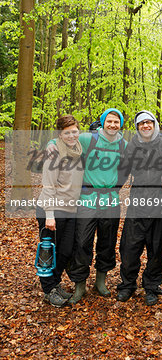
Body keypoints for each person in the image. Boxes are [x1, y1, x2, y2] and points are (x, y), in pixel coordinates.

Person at [68, 108, 126, 304]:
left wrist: (115, 188)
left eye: (116, 122)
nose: (112, 125)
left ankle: (101, 282)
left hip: (110, 200)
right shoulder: (87, 139)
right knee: (82, 241)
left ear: (121, 124)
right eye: (109, 121)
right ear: (103, 122)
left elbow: (126, 169)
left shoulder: (123, 145)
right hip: (87, 198)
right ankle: (80, 285)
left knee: (107, 242)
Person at [116, 111, 162, 305]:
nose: (145, 126)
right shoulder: (133, 144)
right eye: (141, 124)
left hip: (160, 203)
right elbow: (123, 170)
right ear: (137, 127)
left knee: (157, 248)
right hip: (137, 201)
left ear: (154, 124)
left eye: (148, 122)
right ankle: (127, 285)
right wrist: (111, 191)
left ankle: (152, 286)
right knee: (129, 246)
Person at [36, 115, 84, 308]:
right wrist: (49, 215)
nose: (72, 135)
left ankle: (54, 284)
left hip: (69, 209)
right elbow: (48, 185)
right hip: (52, 209)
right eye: (67, 132)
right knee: (48, 251)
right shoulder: (53, 152)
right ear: (60, 134)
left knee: (64, 252)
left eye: (74, 131)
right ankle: (48, 290)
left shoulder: (78, 149)